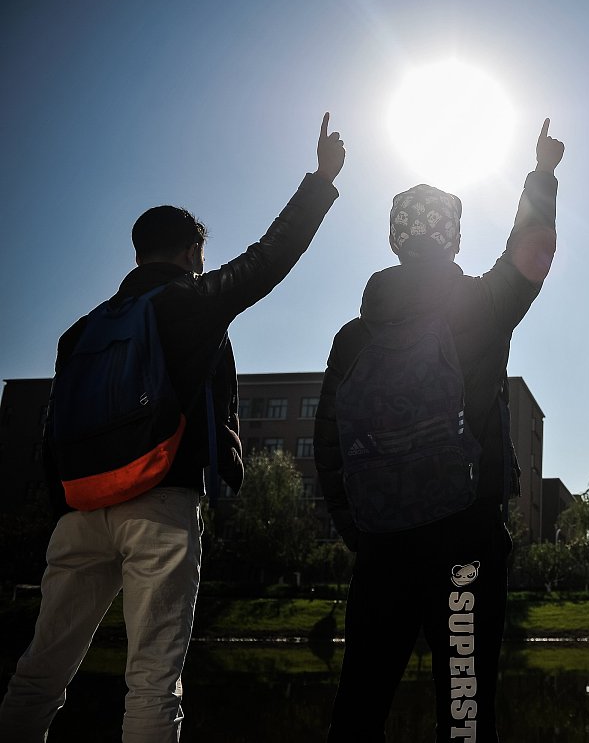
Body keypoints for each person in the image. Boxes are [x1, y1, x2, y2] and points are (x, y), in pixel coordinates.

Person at [0, 113, 346, 742]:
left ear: (138, 252)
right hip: (158, 504)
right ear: (191, 252)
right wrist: (321, 180)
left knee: (38, 675)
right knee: (154, 682)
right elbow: (269, 261)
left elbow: (52, 432)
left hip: (79, 512)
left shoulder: (80, 330)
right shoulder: (188, 303)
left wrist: (68, 504)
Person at [315, 118, 564, 742]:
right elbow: (531, 252)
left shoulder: (352, 337)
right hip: (465, 542)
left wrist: (360, 528)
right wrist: (541, 174)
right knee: (464, 709)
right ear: (452, 239)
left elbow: (328, 447)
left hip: (381, 546)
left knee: (359, 704)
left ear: (396, 241)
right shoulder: (480, 307)